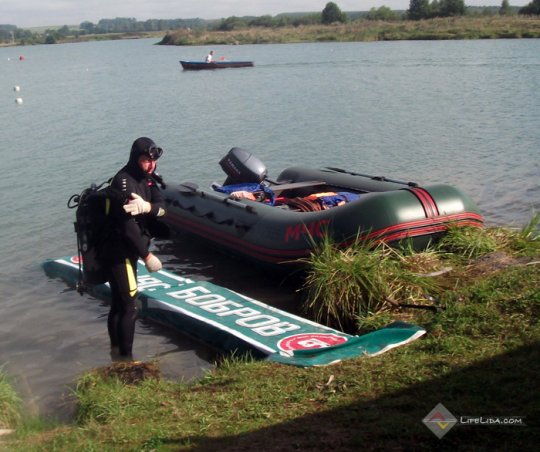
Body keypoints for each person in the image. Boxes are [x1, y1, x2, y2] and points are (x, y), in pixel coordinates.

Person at [100, 137, 166, 360]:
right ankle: (127, 361)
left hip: (129, 251)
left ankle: (116, 354)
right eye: (146, 160)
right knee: (129, 306)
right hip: (118, 251)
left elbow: (163, 208)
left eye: (153, 160)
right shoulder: (123, 182)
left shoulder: (148, 179)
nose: (151, 165)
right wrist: (147, 256)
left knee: (120, 304)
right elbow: (128, 228)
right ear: (135, 158)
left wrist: (148, 207)